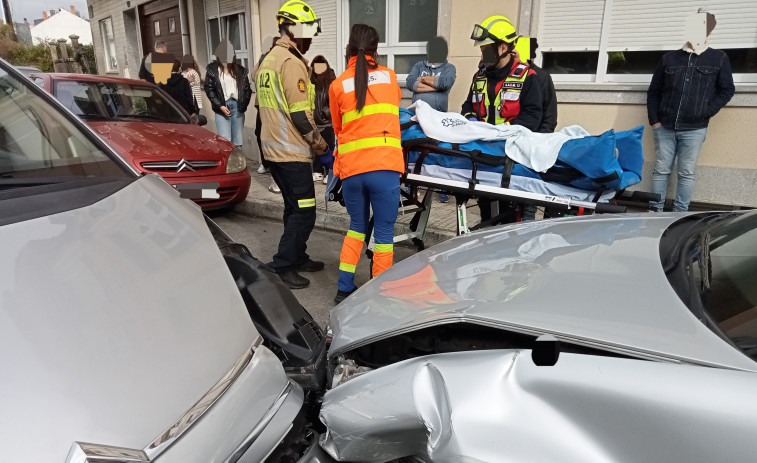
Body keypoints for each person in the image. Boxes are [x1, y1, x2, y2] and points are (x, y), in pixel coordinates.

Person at [329, 24, 404, 303]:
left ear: (349, 49)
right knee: (383, 232)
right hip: (384, 168)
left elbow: (338, 128)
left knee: (356, 227)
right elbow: (393, 109)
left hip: (352, 171)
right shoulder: (389, 77)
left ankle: (343, 288)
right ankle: (378, 294)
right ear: (376, 50)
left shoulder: (338, 85)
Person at [256, 0, 328, 289]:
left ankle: (297, 256)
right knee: (305, 210)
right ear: (295, 31)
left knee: (292, 207)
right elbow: (299, 113)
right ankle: (283, 264)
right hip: (291, 151)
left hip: (272, 149)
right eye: (308, 34)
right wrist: (320, 146)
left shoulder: (268, 60)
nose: (310, 41)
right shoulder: (291, 62)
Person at [647, 10, 734, 212]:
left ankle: (679, 215)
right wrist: (654, 121)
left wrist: (705, 111)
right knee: (660, 171)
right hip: (665, 126)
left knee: (686, 173)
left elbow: (727, 89)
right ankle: (654, 212)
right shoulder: (669, 59)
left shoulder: (719, 58)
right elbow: (654, 92)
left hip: (695, 128)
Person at [461, 15, 542, 225]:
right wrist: (471, 122)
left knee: (508, 219)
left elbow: (533, 116)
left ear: (503, 47)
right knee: (487, 215)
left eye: (485, 48)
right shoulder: (479, 76)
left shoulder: (527, 76)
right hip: (483, 159)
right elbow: (467, 106)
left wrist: (501, 133)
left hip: (511, 159)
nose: (482, 52)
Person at [407, 36, 456, 203]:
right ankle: (412, 184)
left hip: (439, 117)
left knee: (440, 150)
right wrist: (434, 85)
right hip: (418, 117)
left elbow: (445, 83)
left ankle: (443, 188)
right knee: (415, 148)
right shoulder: (419, 65)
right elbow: (409, 83)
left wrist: (422, 81)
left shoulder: (450, 67)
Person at [514, 36, 558, 220]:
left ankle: (528, 218)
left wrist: (541, 139)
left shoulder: (541, 77)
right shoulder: (510, 76)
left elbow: (550, 113)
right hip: (515, 139)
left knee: (531, 184)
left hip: (536, 140)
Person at [204, 39, 253, 149]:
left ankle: (238, 165)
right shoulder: (213, 70)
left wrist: (244, 103)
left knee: (237, 140)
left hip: (237, 106)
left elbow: (247, 89)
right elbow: (209, 88)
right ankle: (227, 165)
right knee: (225, 139)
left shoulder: (240, 70)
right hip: (222, 106)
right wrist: (219, 105)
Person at [251, 37, 281, 193]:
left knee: (273, 139)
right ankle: (266, 163)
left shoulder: (282, 61)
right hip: (263, 105)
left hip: (274, 106)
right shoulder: (265, 60)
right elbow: (253, 75)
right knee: (260, 134)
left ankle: (276, 179)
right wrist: (262, 58)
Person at [311, 54, 337, 184]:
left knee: (329, 147)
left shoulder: (331, 79)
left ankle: (330, 171)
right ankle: (317, 171)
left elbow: (334, 101)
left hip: (327, 123)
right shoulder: (311, 81)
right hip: (314, 121)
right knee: (316, 147)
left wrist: (326, 112)